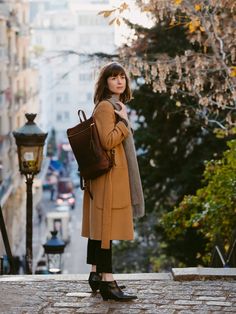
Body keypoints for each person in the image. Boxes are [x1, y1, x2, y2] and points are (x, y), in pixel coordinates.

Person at [81, 62, 145, 301]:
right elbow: (108, 141)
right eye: (113, 78)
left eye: (122, 77)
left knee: (100, 228)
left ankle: (96, 275)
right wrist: (124, 123)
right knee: (105, 228)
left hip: (109, 176)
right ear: (105, 82)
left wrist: (123, 121)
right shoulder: (106, 108)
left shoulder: (113, 106)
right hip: (108, 177)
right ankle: (108, 281)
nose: (119, 81)